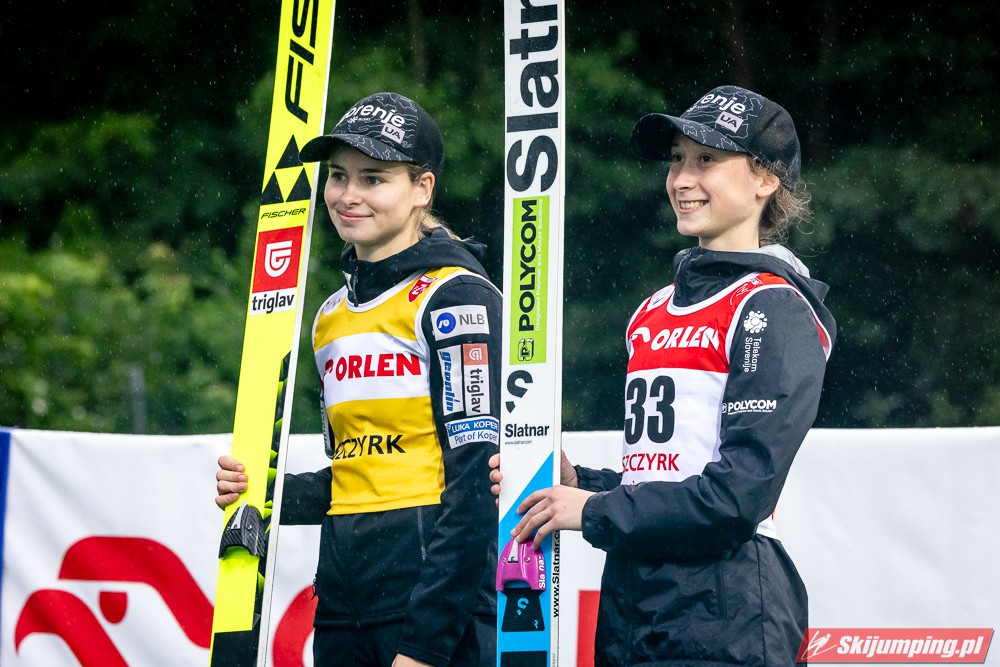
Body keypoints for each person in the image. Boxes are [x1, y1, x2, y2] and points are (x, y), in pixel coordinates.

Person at [490, 85, 837, 666]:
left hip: (726, 604)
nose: (682, 178)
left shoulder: (772, 306)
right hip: (632, 598)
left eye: (707, 159)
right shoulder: (651, 310)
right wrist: (581, 482)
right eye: (677, 159)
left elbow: (737, 496)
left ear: (765, 178)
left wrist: (592, 510)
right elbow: (662, 475)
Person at [217, 92, 501, 667]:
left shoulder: (457, 298)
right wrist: (264, 493)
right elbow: (355, 472)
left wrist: (425, 644)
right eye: (338, 176)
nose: (348, 195)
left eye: (374, 179)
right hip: (343, 605)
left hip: (430, 609)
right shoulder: (330, 316)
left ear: (422, 189)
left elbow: (476, 487)